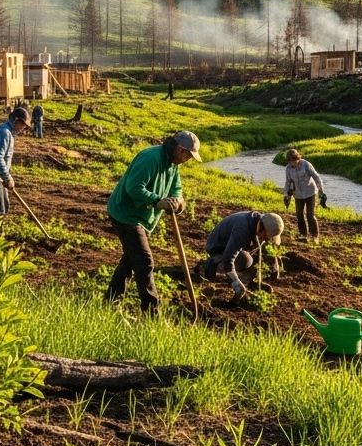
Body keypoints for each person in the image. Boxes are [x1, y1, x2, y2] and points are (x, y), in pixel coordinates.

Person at [105, 130, 201, 315]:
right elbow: (133, 188)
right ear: (180, 150)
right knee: (145, 261)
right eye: (189, 155)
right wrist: (157, 200)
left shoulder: (173, 164)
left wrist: (178, 202)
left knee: (131, 260)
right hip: (126, 214)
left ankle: (111, 300)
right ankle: (151, 312)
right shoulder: (150, 158)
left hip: (143, 218)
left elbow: (176, 188)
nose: (189, 159)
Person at [204, 210, 285, 301]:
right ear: (262, 228)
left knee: (254, 253)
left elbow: (267, 246)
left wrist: (275, 264)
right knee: (244, 260)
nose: (267, 239)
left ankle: (249, 280)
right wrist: (236, 285)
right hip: (218, 247)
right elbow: (228, 259)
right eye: (267, 236)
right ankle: (210, 265)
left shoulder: (261, 221)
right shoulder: (242, 229)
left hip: (233, 244)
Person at [283, 148, 325, 241]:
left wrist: (321, 190)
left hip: (310, 192)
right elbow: (288, 182)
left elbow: (316, 176)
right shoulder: (288, 169)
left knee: (310, 215)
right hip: (298, 195)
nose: (291, 163)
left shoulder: (306, 164)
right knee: (299, 215)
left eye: (293, 160)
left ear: (297, 158)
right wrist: (286, 194)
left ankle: (315, 236)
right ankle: (303, 235)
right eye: (289, 161)